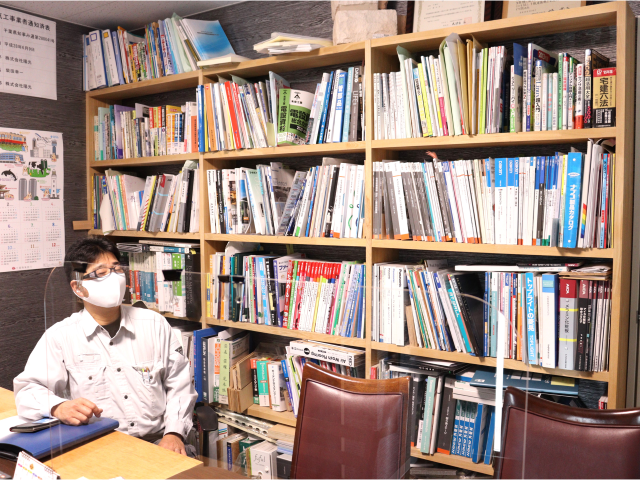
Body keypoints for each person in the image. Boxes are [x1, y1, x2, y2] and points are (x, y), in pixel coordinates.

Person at [14, 237, 197, 456]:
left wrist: (174, 433)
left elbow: (180, 384)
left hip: (157, 441)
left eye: (117, 270)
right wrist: (57, 407)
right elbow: (27, 390)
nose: (114, 278)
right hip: (97, 447)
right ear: (78, 287)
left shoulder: (154, 323)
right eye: (100, 273)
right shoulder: (60, 336)